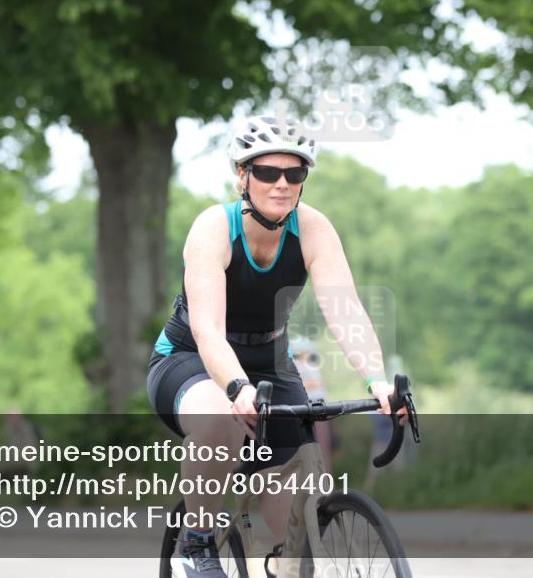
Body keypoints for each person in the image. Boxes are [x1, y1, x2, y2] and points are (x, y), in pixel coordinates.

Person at [146, 116, 399, 578]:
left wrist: (377, 380)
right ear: (242, 176)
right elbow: (208, 330)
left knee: (296, 523)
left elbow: (345, 312)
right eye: (267, 172)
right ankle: (196, 544)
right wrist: (235, 386)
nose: (281, 184)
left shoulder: (314, 229)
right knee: (221, 419)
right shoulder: (213, 228)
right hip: (190, 359)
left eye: (294, 174)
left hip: (271, 362)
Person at [289, 337, 337, 472]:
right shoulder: (298, 366)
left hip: (319, 409)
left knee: (322, 449)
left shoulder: (310, 366)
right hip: (309, 410)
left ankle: (324, 484)